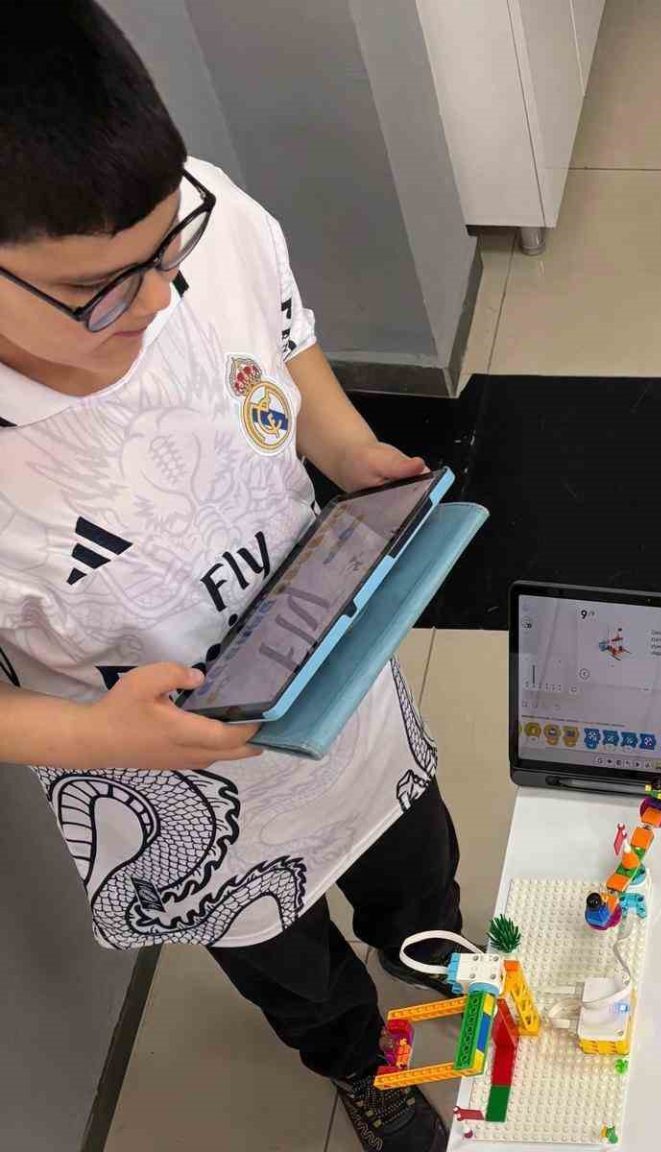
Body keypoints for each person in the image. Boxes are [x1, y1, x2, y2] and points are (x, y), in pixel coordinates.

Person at [1, 6, 456, 1149]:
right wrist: (97, 739)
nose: (162, 301)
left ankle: (434, 957)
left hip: (330, 675)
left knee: (414, 862)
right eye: (104, 288)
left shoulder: (204, 221)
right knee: (290, 964)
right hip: (177, 795)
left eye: (170, 251)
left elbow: (282, 343)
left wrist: (347, 450)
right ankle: (362, 1065)